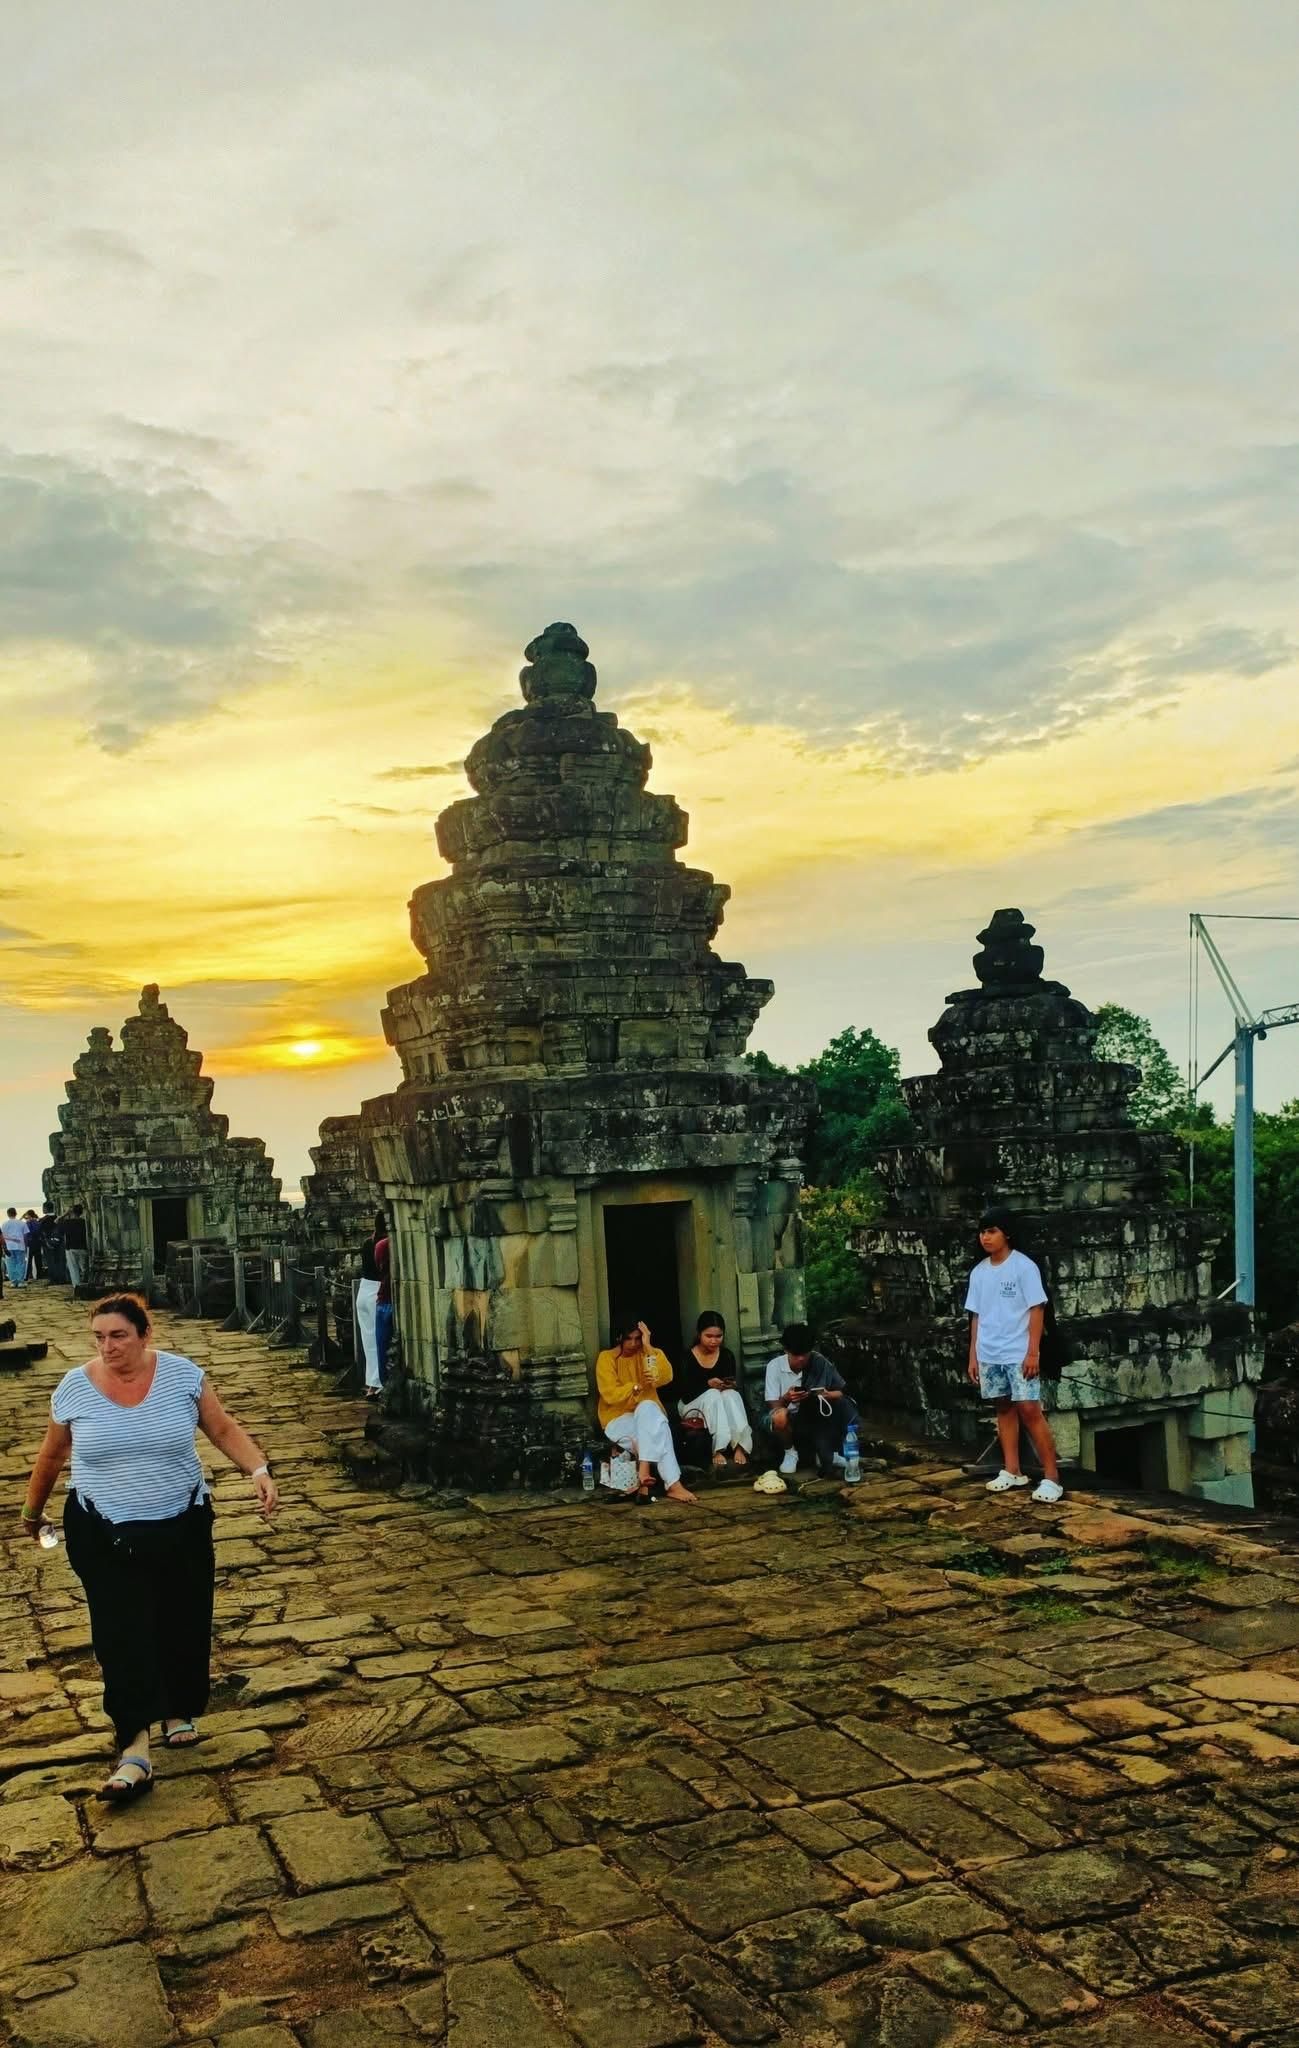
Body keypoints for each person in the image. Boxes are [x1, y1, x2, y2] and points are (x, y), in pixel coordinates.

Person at [18, 1293, 279, 1803]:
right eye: (99, 1337)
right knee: (121, 1631)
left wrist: (258, 1470)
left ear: (144, 1334)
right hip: (101, 1528)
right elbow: (51, 1455)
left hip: (181, 1520)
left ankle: (178, 1708)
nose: (107, 1346)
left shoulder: (183, 1377)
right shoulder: (73, 1387)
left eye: (118, 1335)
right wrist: (32, 1512)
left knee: (182, 1616)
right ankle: (134, 1746)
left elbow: (222, 1428)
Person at [966, 1205, 1064, 1503]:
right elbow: (976, 1316)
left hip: (1018, 1352)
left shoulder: (1024, 1267)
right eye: (982, 1232)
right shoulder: (979, 1272)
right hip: (989, 1351)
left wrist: (1033, 1352)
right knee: (1003, 1408)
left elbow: (1037, 1309)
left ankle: (1052, 1477)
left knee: (1030, 1410)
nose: (986, 1237)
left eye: (992, 1231)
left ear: (1006, 1234)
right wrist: (973, 1355)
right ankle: (1012, 1469)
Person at [595, 1318, 697, 1504]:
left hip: (648, 1414)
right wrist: (635, 1388)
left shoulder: (648, 1354)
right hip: (617, 1418)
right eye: (629, 1339)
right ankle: (673, 1485)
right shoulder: (606, 1358)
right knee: (660, 1430)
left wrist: (648, 1346)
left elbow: (666, 1377)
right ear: (619, 1338)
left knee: (648, 1407)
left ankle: (644, 1470)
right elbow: (610, 1394)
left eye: (637, 1338)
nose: (633, 1344)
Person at [764, 1321, 858, 1478]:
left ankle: (828, 1452)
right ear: (786, 1350)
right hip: (789, 1419)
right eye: (796, 1355)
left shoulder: (819, 1362)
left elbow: (842, 1392)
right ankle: (791, 1453)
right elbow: (773, 1407)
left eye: (805, 1354)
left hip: (815, 1415)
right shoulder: (774, 1366)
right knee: (779, 1416)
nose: (801, 1359)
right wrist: (787, 1398)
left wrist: (827, 1395)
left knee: (843, 1405)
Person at [677, 1311, 752, 1469]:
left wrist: (728, 1385)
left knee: (731, 1394)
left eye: (718, 1336)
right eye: (709, 1336)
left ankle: (740, 1446)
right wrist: (707, 1384)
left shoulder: (726, 1355)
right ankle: (717, 1449)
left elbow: (729, 1381)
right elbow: (685, 1393)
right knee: (712, 1395)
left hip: (719, 1402)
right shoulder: (687, 1357)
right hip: (692, 1405)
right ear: (699, 1334)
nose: (714, 1341)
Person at [356, 1213, 385, 1398]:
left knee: (369, 1343)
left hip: (363, 1291)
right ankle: (377, 1383)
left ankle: (371, 1384)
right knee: (379, 1341)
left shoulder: (367, 1243)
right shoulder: (384, 1244)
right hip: (376, 1291)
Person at [374, 1224, 394, 1385]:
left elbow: (378, 1269)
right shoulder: (390, 1245)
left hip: (384, 1301)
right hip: (394, 1299)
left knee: (382, 1349)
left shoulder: (381, 1245)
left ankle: (385, 1384)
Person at [62, 1205, 90, 1289]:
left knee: (73, 1268)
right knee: (84, 1268)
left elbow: (55, 1222)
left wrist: (65, 1214)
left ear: (72, 1212)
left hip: (70, 1247)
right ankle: (85, 1282)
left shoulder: (67, 1222)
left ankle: (77, 1286)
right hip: (82, 1247)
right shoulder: (84, 1221)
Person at [3, 1209, 27, 1288]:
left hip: (9, 1246)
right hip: (20, 1246)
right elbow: (26, 1235)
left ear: (8, 1214)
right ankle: (20, 1282)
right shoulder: (22, 1223)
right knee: (20, 1263)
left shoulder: (4, 1224)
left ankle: (13, 1282)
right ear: (16, 1213)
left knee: (10, 1264)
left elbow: (3, 1236)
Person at [23, 1210, 42, 1282]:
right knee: (38, 1260)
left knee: (28, 1261)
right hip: (37, 1243)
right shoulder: (37, 1222)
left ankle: (27, 1276)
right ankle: (39, 1275)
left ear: (29, 1215)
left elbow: (26, 1233)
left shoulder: (28, 1223)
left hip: (30, 1243)